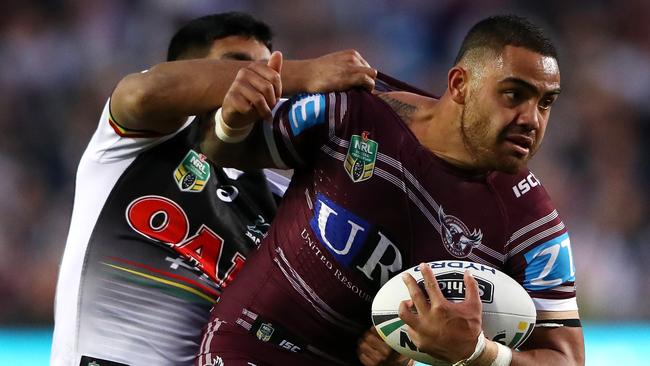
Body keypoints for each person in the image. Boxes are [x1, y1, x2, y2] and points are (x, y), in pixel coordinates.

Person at [195, 14, 584, 366]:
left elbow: (567, 359)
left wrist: (476, 353)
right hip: (250, 343)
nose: (532, 119)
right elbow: (223, 151)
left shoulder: (533, 225)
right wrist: (232, 120)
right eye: (514, 94)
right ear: (460, 84)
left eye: (546, 102)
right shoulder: (354, 111)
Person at [50, 12, 377, 366]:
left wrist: (377, 348)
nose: (266, 84)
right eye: (236, 66)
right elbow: (146, 91)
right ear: (184, 69)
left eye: (269, 69)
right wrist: (303, 74)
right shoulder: (131, 144)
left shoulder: (287, 202)